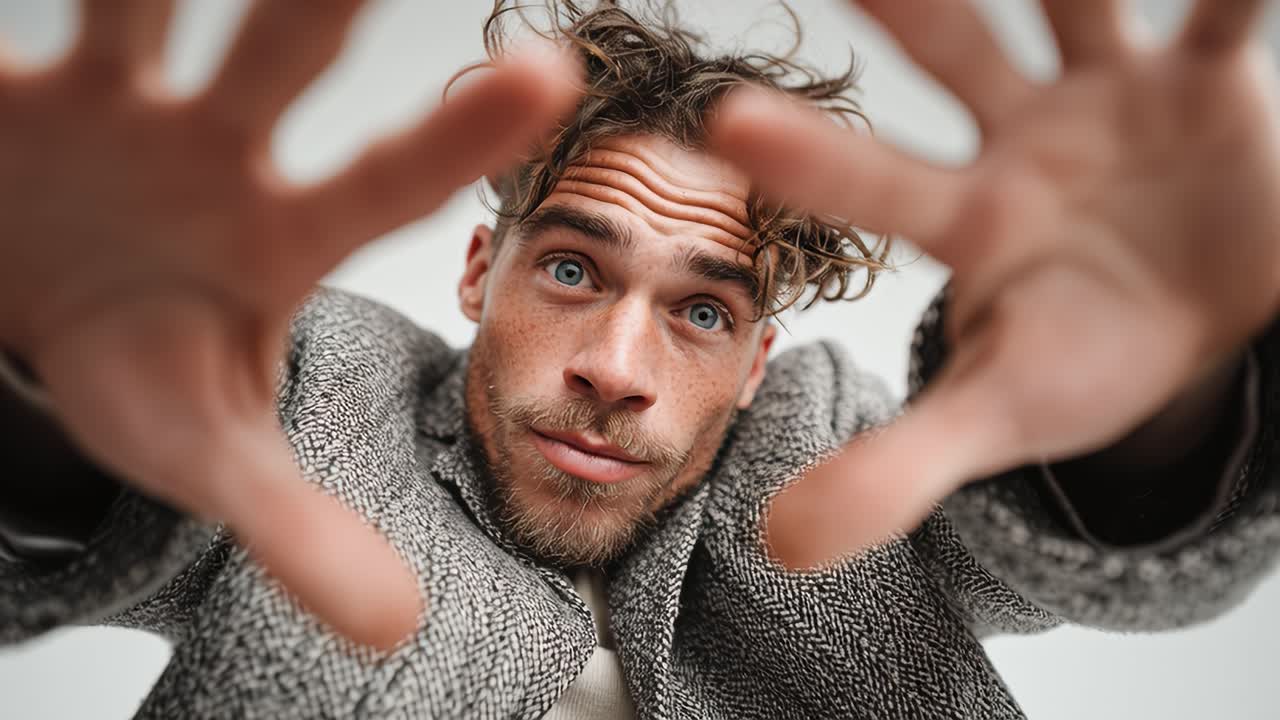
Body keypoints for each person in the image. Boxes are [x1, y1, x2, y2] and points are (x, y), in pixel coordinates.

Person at [2, 0, 1278, 717]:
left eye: (701, 311)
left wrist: (1160, 406)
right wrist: (45, 385)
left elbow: (1082, 548)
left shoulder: (838, 448)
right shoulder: (319, 389)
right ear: (473, 274)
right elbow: (95, 514)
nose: (615, 365)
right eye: (570, 269)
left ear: (756, 358)